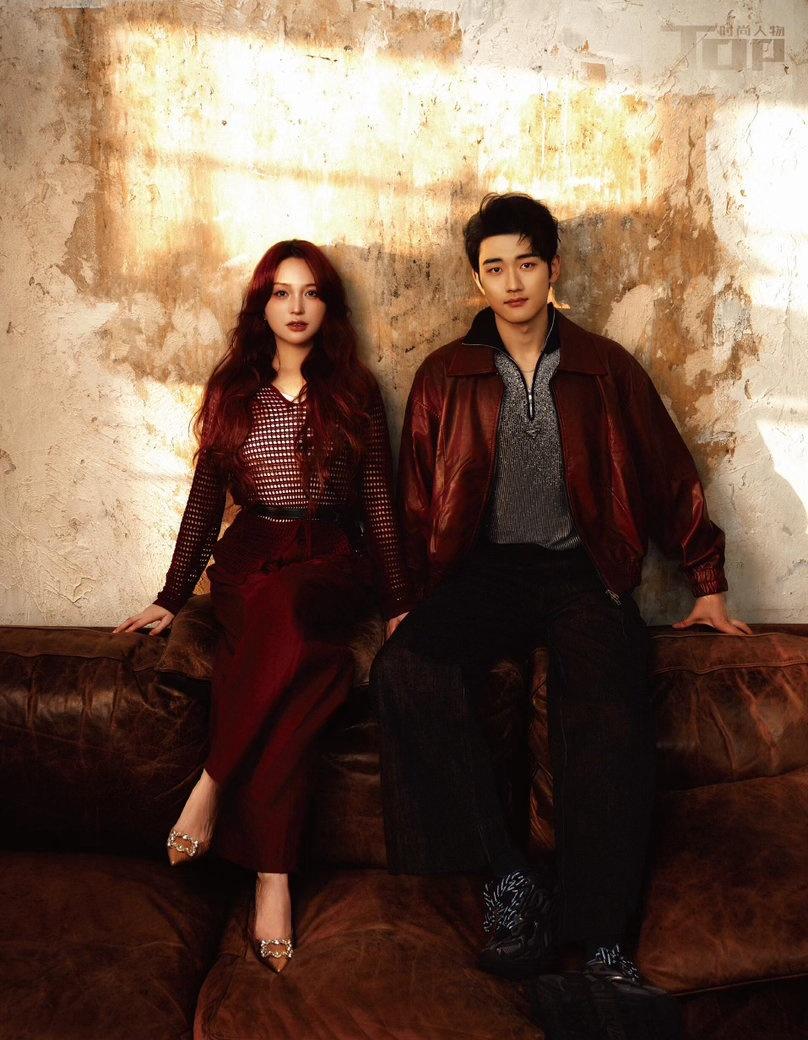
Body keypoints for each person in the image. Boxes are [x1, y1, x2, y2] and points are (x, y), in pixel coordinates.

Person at [370, 194, 750, 1019]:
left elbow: (667, 472)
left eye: (527, 263)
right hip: (484, 574)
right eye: (495, 267)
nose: (512, 282)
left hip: (583, 572)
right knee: (403, 670)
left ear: (553, 270)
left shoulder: (604, 368)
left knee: (610, 711)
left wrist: (707, 579)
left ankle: (604, 942)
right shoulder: (446, 374)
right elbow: (413, 499)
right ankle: (510, 875)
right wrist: (406, 602)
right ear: (477, 279)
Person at [114, 240, 411, 973]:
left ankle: (212, 784)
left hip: (329, 559)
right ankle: (273, 875)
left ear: (328, 306)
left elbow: (378, 501)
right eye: (282, 292)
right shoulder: (233, 392)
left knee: (289, 606)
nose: (297, 306)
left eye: (311, 292)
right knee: (309, 670)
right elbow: (204, 503)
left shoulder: (355, 392)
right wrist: (172, 596)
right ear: (263, 306)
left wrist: (399, 600)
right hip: (250, 556)